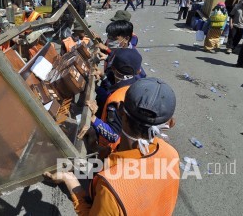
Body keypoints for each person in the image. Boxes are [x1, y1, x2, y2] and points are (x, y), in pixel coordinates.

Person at [44, 78, 179, 216]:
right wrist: (109, 154)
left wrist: (70, 180)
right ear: (170, 123)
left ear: (120, 110)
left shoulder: (111, 188)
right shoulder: (172, 154)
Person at [87, 48, 142, 158]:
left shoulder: (116, 100)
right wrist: (103, 77)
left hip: (113, 151)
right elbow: (116, 86)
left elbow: (113, 134)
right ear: (138, 71)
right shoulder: (137, 85)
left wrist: (93, 118)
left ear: (113, 68)